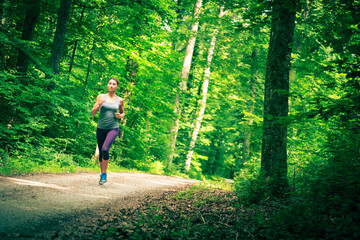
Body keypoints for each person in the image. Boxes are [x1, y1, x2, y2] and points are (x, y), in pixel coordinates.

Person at [91, 78, 125, 185]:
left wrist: (120, 116)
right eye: (110, 83)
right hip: (101, 127)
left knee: (105, 149)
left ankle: (104, 173)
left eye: (114, 84)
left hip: (113, 128)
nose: (111, 85)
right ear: (107, 85)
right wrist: (98, 104)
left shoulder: (120, 100)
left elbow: (123, 113)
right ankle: (102, 175)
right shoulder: (101, 97)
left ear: (117, 87)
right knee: (101, 151)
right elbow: (92, 113)